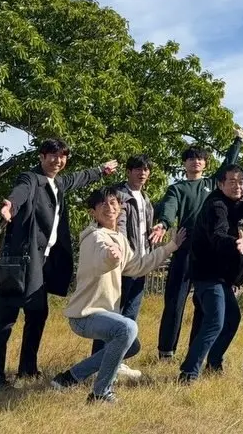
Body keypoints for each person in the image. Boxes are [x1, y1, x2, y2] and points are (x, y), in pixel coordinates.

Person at [0, 139, 117, 390]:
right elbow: (20, 192)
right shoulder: (30, 178)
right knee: (6, 317)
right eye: (52, 156)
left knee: (37, 314)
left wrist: (101, 170)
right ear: (42, 157)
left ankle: (28, 369)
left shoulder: (58, 183)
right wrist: (10, 205)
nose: (58, 161)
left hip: (42, 264)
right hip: (21, 262)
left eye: (62, 156)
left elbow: (79, 177)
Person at [51, 188, 186, 404]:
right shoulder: (94, 237)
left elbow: (138, 266)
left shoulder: (119, 239)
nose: (109, 207)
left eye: (113, 203)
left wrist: (170, 246)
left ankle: (69, 377)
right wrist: (110, 258)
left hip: (102, 314)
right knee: (127, 328)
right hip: (84, 315)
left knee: (131, 345)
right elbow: (101, 259)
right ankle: (100, 393)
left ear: (121, 208)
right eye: (102, 204)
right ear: (92, 213)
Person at [155, 128, 243, 360]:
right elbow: (169, 207)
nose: (196, 162)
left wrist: (237, 141)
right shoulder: (177, 188)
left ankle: (196, 348)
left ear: (205, 164)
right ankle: (166, 351)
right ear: (184, 164)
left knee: (204, 305)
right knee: (175, 301)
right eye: (191, 158)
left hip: (209, 253)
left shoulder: (212, 184)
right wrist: (164, 224)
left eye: (200, 159)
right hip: (185, 249)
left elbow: (229, 163)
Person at [88, 154, 167, 379]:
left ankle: (117, 361)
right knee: (111, 315)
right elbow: (118, 226)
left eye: (145, 170)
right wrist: (122, 251)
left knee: (130, 315)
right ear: (128, 172)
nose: (142, 173)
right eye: (137, 169)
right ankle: (98, 363)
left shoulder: (145, 198)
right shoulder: (118, 196)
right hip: (123, 264)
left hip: (140, 263)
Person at [179, 163, 243, 382]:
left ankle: (213, 363)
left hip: (217, 276)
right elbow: (218, 234)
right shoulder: (217, 207)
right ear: (221, 183)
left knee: (231, 318)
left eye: (241, 181)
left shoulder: (224, 203)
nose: (238, 186)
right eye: (232, 181)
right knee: (215, 321)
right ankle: (189, 372)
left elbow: (233, 214)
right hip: (208, 275)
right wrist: (237, 244)